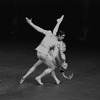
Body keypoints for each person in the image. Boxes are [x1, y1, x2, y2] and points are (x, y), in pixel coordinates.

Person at [20, 15, 65, 85]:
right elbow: (55, 56)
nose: (63, 38)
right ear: (59, 35)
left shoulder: (49, 33)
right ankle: (39, 77)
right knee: (52, 67)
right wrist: (61, 66)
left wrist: (30, 23)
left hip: (38, 53)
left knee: (47, 66)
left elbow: (39, 29)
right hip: (44, 54)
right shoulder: (56, 43)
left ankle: (56, 80)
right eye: (62, 36)